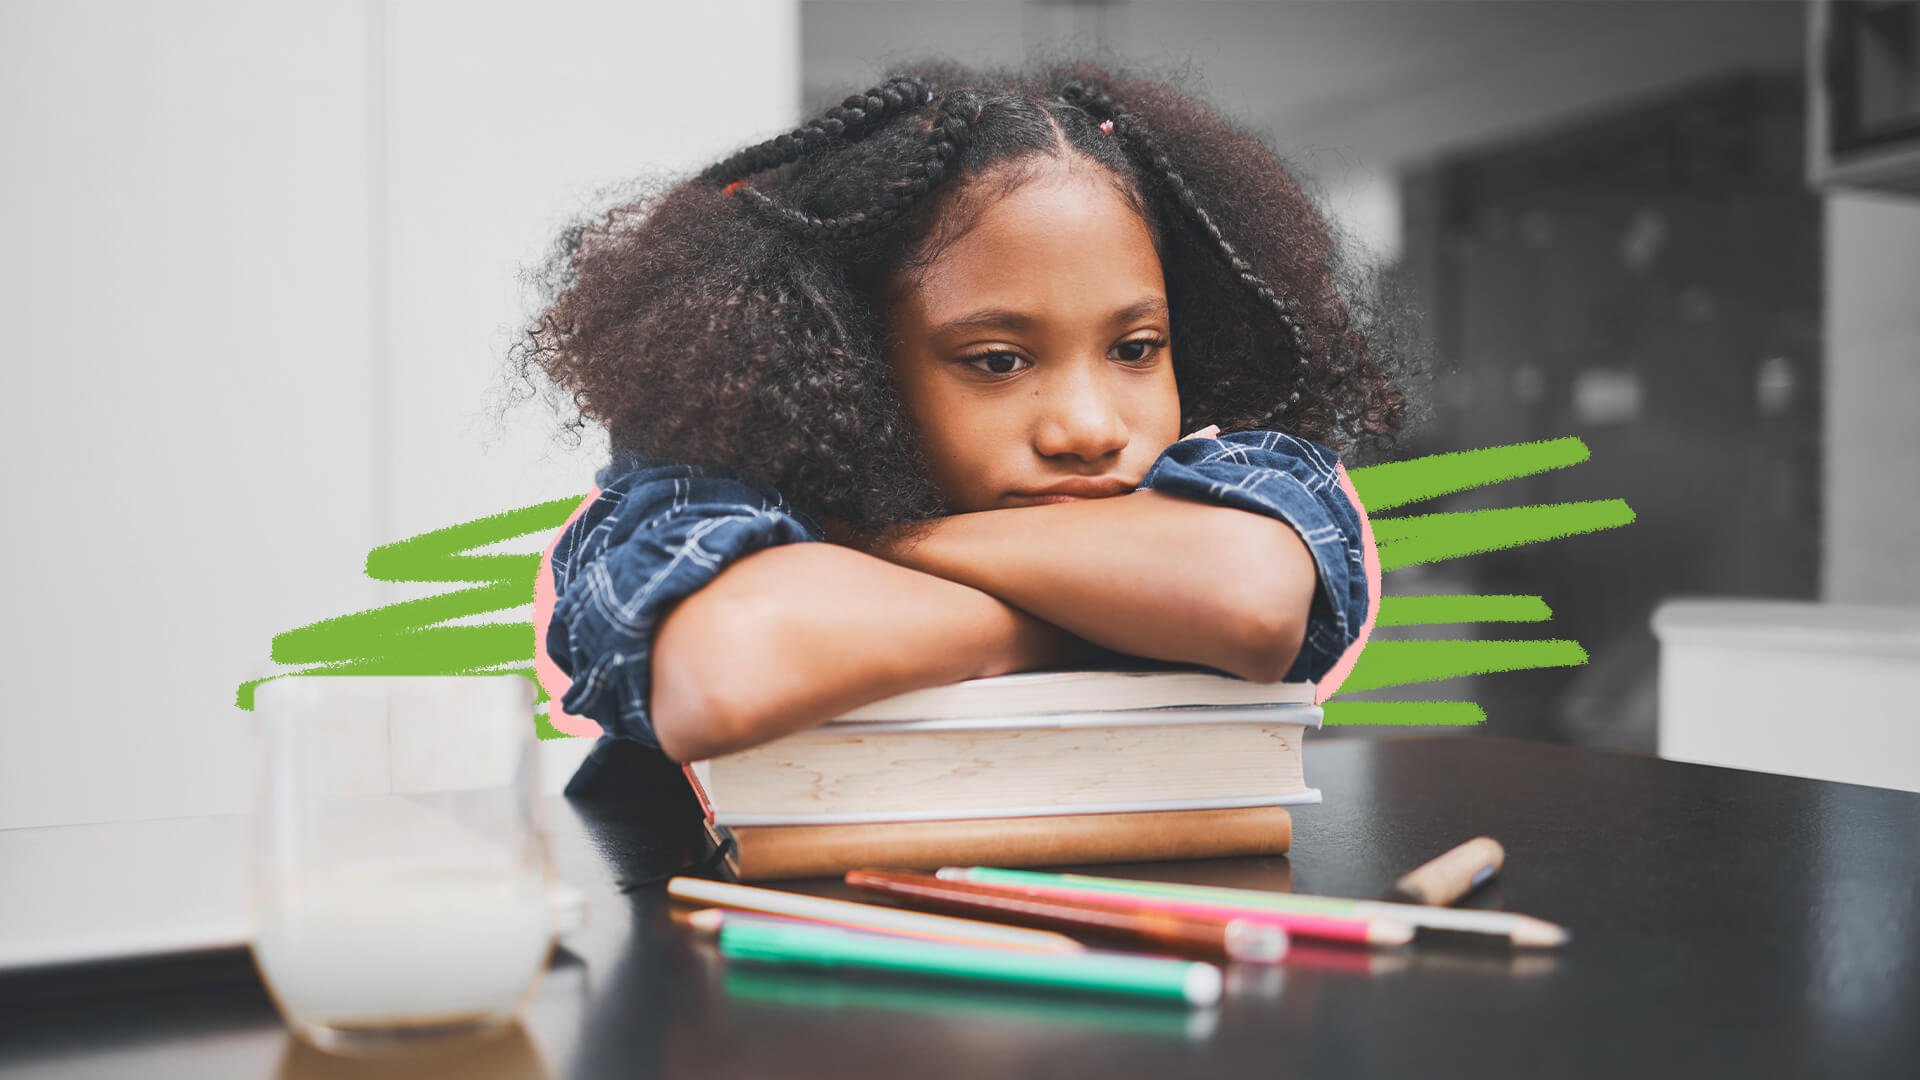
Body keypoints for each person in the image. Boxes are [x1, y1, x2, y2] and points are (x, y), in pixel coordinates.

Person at [518, 60, 1411, 787]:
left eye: (1136, 348)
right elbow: (724, 668)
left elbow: (1249, 601)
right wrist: (1104, 611)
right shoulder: (700, 485)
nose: (1089, 427)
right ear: (850, 361)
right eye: (998, 361)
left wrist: (869, 542)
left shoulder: (1243, 472)